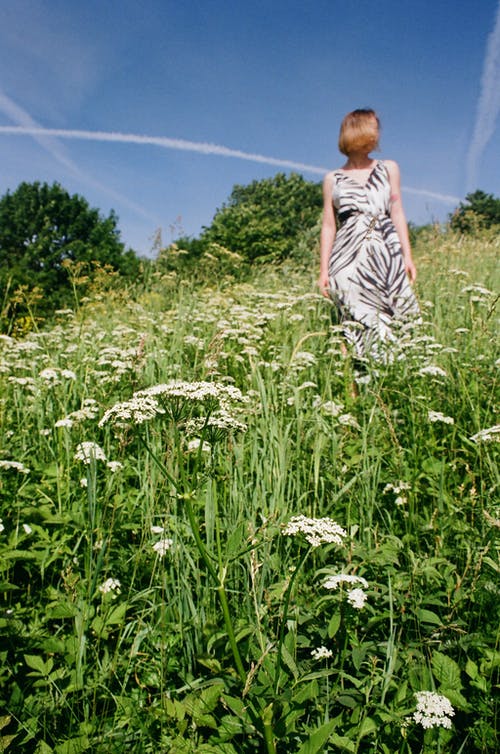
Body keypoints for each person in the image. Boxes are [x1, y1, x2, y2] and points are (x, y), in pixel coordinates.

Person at [318, 108, 420, 360]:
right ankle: (356, 379)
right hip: (347, 254)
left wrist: (407, 255)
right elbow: (329, 225)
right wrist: (323, 270)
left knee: (397, 310)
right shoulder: (333, 179)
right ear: (358, 130)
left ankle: (396, 376)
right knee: (353, 316)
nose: (378, 134)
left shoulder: (388, 169)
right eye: (374, 127)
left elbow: (396, 211)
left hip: (386, 248)